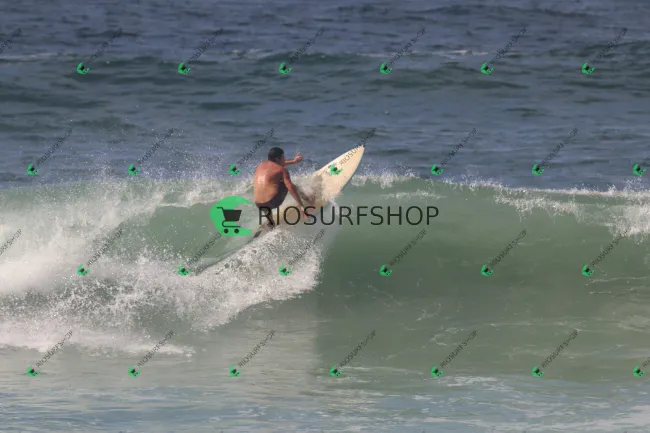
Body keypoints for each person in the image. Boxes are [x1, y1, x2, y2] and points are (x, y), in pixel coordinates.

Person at [253, 147, 314, 225]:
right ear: (278, 159)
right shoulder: (282, 170)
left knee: (268, 188)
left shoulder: (261, 165)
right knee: (287, 184)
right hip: (272, 202)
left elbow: (276, 166)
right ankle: (308, 199)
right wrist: (302, 206)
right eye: (283, 157)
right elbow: (290, 188)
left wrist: (293, 161)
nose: (284, 159)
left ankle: (270, 223)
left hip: (258, 204)